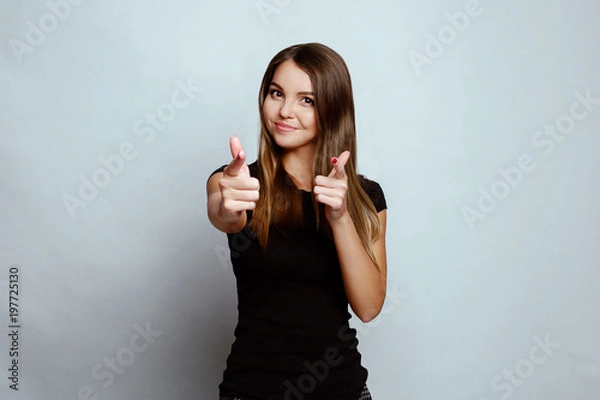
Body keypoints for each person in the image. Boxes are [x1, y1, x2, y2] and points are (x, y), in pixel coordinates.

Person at [206, 42, 387, 400]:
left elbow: (368, 307)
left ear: (332, 110)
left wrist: (339, 218)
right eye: (276, 93)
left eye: (307, 100)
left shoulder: (367, 196)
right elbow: (224, 214)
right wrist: (227, 205)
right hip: (253, 389)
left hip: (343, 390)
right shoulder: (237, 182)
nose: (285, 110)